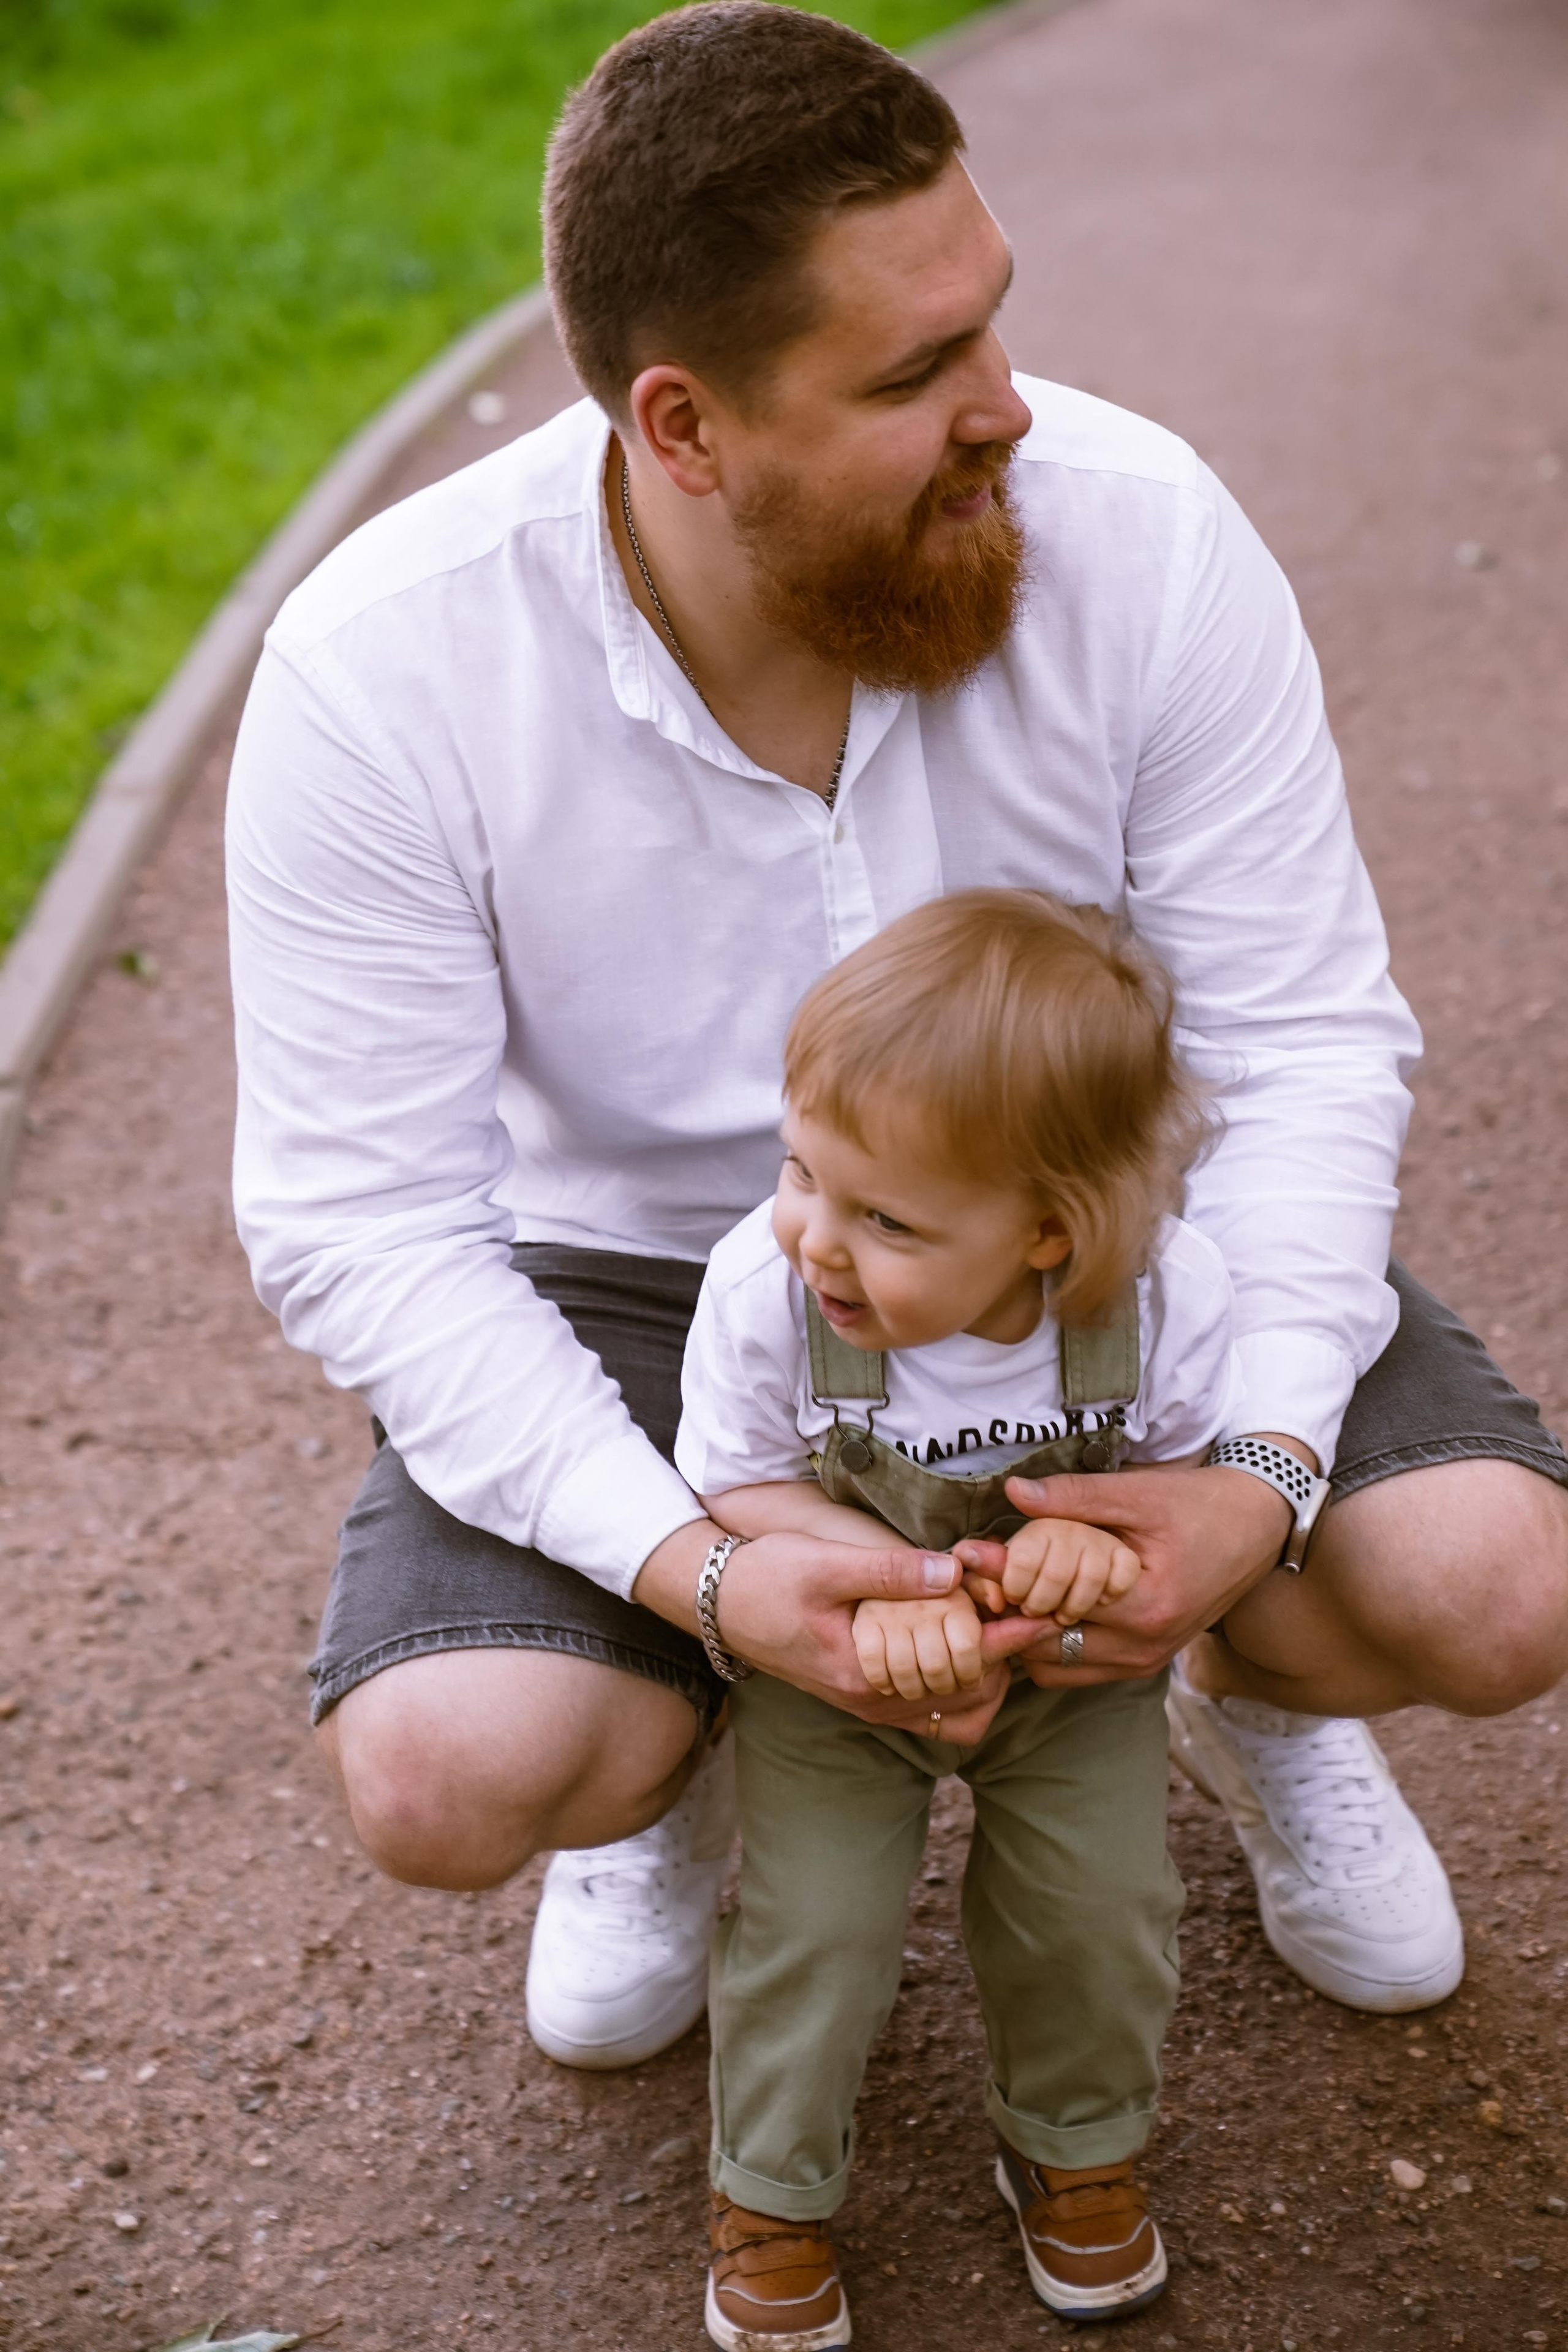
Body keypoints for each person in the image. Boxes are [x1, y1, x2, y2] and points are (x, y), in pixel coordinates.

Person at [225, 0, 1568, 2097]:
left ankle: (1257, 1691)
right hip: (653, 1288)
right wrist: (709, 1570)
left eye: (992, 324)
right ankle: (675, 1757)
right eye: (915, 372)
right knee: (448, 1767)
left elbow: (1302, 1038)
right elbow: (361, 1224)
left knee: (1491, 1589)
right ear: (685, 429)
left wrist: (1263, 1473)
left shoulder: (1147, 535)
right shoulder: (383, 670)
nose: (1009, 411)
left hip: (1094, 1254)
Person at [677, 890, 1235, 2340]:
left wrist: (1094, 1561)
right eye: (800, 1171)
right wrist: (870, 1577)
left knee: (1098, 1907)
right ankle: (772, 2191)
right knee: (817, 1924)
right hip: (838, 1670)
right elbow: (731, 1477)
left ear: (1048, 1231)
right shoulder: (766, 1290)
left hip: (1063, 1680)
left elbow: (1176, 1482)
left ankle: (1075, 2148)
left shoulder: (1161, 1303)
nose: (817, 1240)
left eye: (886, 1217)